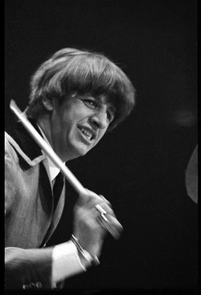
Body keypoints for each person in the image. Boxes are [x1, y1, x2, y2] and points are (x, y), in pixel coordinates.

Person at [5, 47, 136, 290]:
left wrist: (78, 255)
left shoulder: (55, 179)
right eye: (91, 103)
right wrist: (77, 252)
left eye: (110, 113)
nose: (101, 121)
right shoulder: (7, 158)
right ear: (50, 99)